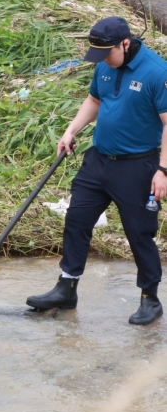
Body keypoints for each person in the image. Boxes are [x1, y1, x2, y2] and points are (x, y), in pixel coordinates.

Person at [26, 17, 167, 325]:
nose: (102, 60)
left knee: (139, 233)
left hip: (138, 166)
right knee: (76, 220)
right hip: (98, 160)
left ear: (125, 44)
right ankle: (67, 288)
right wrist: (72, 130)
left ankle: (150, 299)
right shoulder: (104, 63)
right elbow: (94, 99)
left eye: (107, 53)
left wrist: (163, 170)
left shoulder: (157, 72)